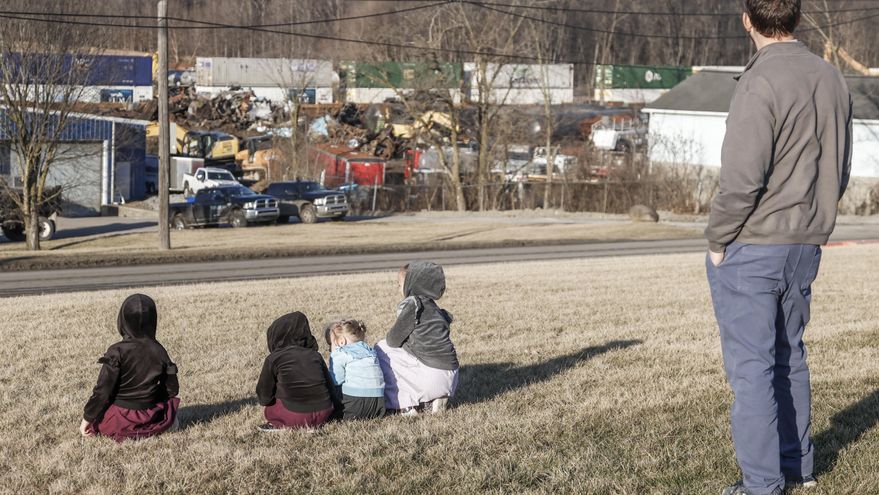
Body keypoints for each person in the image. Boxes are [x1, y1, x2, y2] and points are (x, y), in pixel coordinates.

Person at [705, 1, 852, 494]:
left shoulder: (758, 81)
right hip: (805, 243)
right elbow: (841, 167)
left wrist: (717, 240)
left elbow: (741, 181)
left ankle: (762, 485)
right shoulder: (831, 77)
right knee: (791, 357)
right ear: (797, 17)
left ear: (747, 19)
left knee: (753, 371)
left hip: (755, 244)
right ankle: (798, 468)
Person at [80, 294, 180, 442]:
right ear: (153, 320)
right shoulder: (159, 350)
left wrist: (87, 419)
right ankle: (159, 426)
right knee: (169, 414)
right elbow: (172, 389)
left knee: (101, 422)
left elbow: (102, 391)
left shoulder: (116, 351)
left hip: (121, 417)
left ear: (122, 320)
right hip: (151, 415)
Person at [375, 261, 459, 415]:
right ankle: (433, 399)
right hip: (451, 375)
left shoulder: (413, 305)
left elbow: (393, 340)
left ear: (412, 284)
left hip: (432, 374)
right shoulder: (435, 309)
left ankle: (405, 405)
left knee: (382, 348)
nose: (398, 288)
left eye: (400, 284)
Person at [256, 312, 338, 431]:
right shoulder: (316, 356)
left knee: (271, 408)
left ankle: (279, 424)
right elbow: (331, 388)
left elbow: (264, 397)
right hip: (323, 413)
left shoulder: (274, 359)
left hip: (293, 416)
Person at [326, 319, 386, 420]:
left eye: (331, 344)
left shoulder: (340, 353)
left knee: (332, 388)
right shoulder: (370, 351)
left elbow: (336, 380)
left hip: (356, 403)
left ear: (341, 341)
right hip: (378, 403)